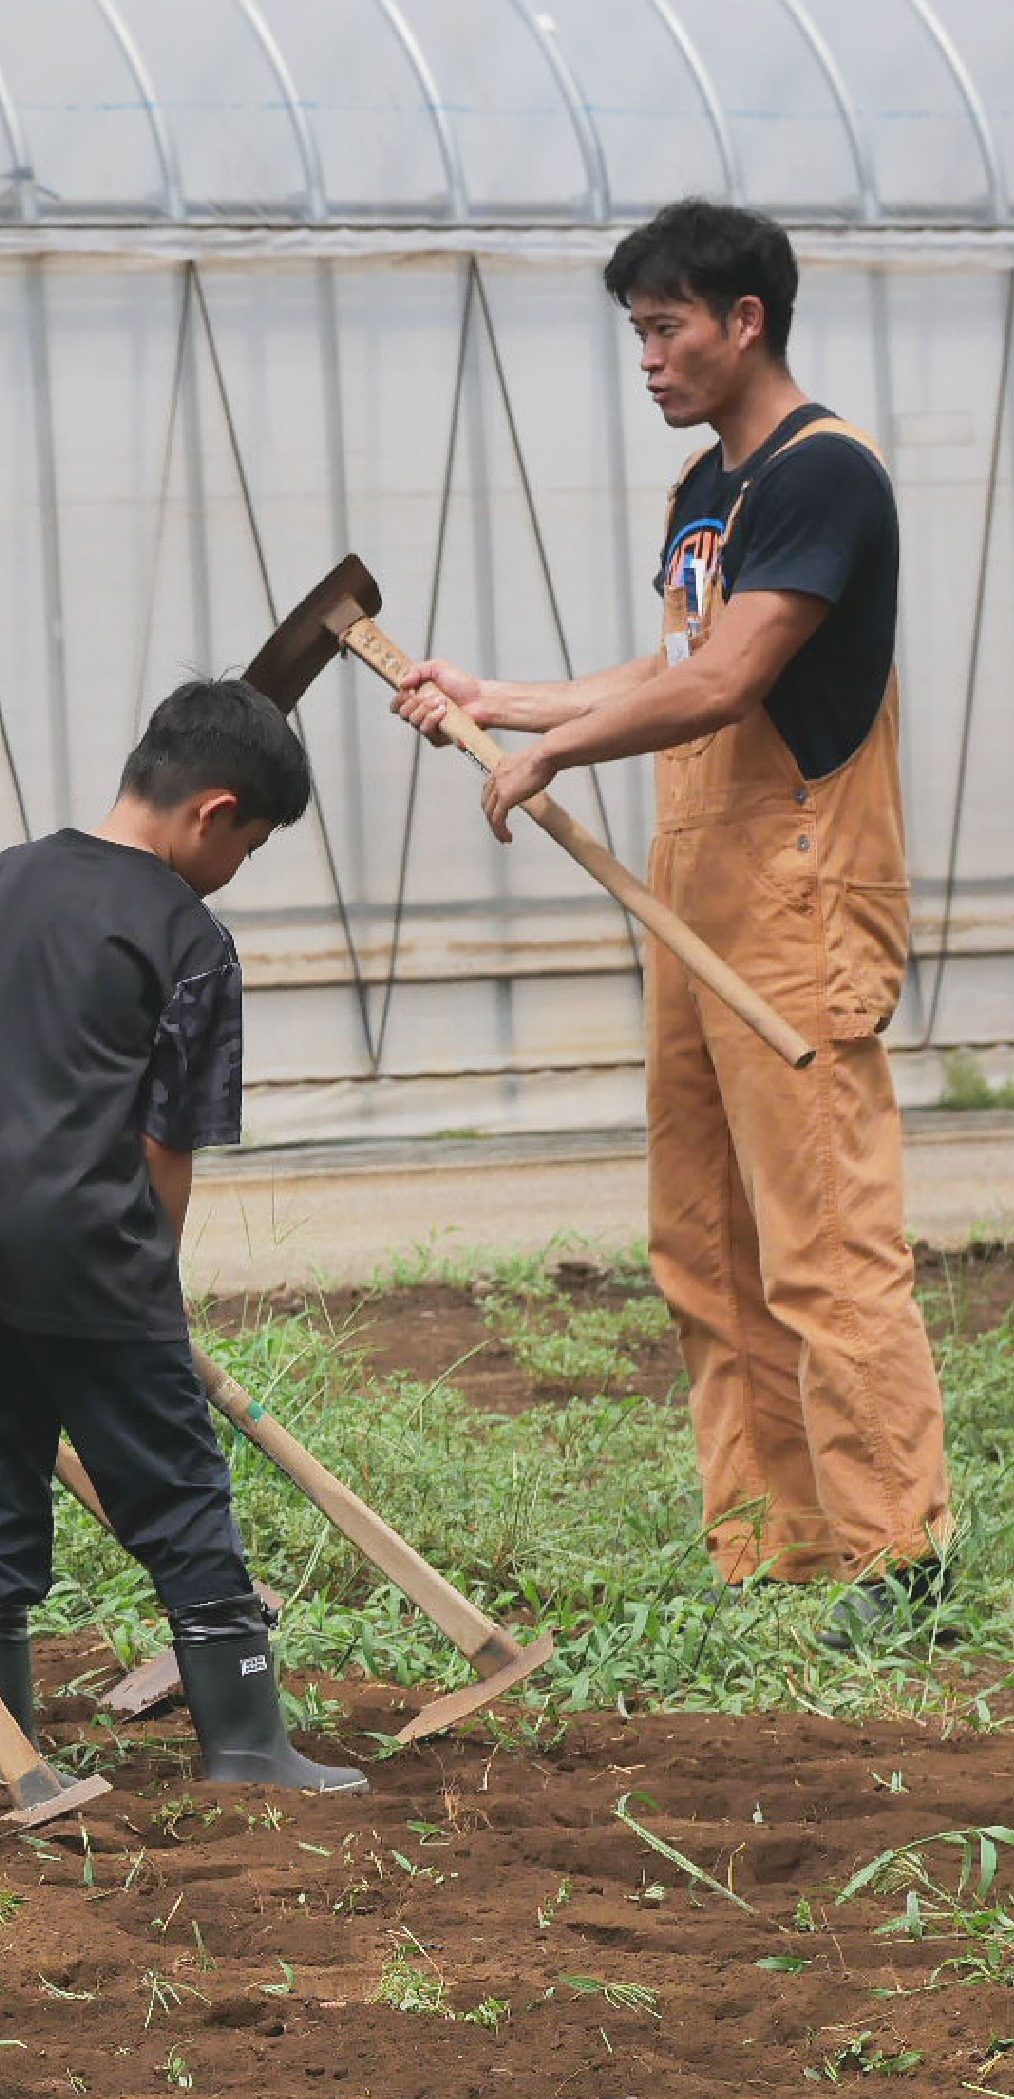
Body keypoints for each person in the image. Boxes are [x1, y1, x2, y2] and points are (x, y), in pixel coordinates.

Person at [393, 198, 948, 1644]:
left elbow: (726, 680)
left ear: (744, 320)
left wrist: (552, 751)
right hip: (697, 888)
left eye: (665, 330)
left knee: (824, 1231)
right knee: (704, 1240)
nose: (644, 360)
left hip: (802, 890)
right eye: (635, 332)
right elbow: (668, 662)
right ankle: (778, 1548)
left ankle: (899, 1555)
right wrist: (501, 698)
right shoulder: (704, 490)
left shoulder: (828, 475)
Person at [0, 678, 362, 1795]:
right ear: (213, 813)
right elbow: (171, 1139)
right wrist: (148, 1275)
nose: (236, 868)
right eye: (248, 844)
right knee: (177, 1492)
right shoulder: (187, 938)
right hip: (94, 1260)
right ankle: (248, 1746)